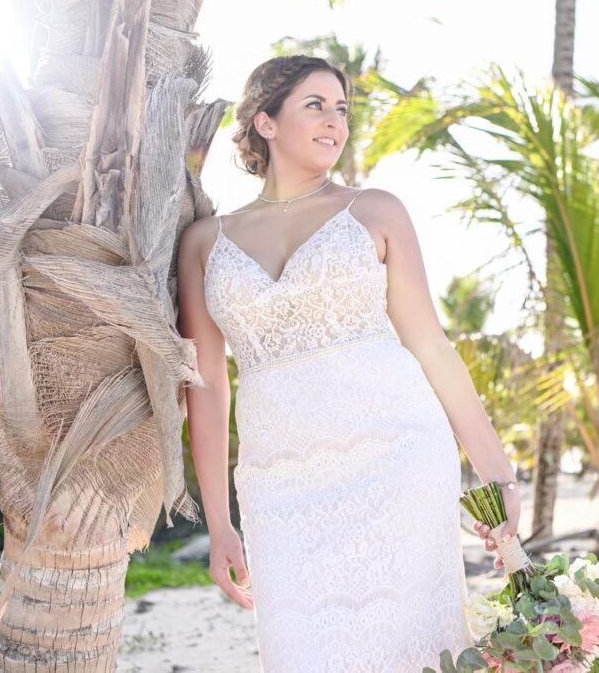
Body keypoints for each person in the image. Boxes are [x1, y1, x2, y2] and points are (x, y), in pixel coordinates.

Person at [176, 55, 520, 672]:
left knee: (411, 648)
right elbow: (205, 386)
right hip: (278, 486)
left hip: (399, 460)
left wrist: (496, 471)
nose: (335, 121)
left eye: (342, 109)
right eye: (315, 105)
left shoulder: (377, 211)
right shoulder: (205, 242)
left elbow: (432, 346)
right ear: (265, 122)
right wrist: (219, 520)